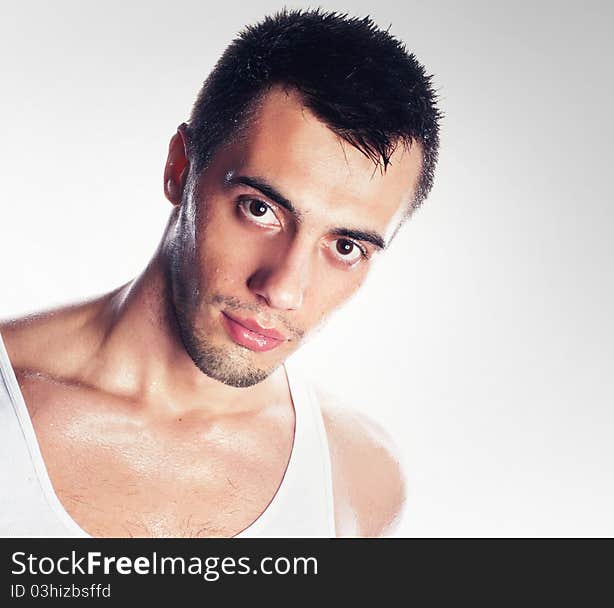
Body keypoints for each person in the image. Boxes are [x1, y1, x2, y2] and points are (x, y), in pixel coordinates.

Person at [0, 8, 441, 538]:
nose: (281, 290)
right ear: (180, 168)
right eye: (260, 209)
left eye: (345, 246)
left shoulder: (358, 479)